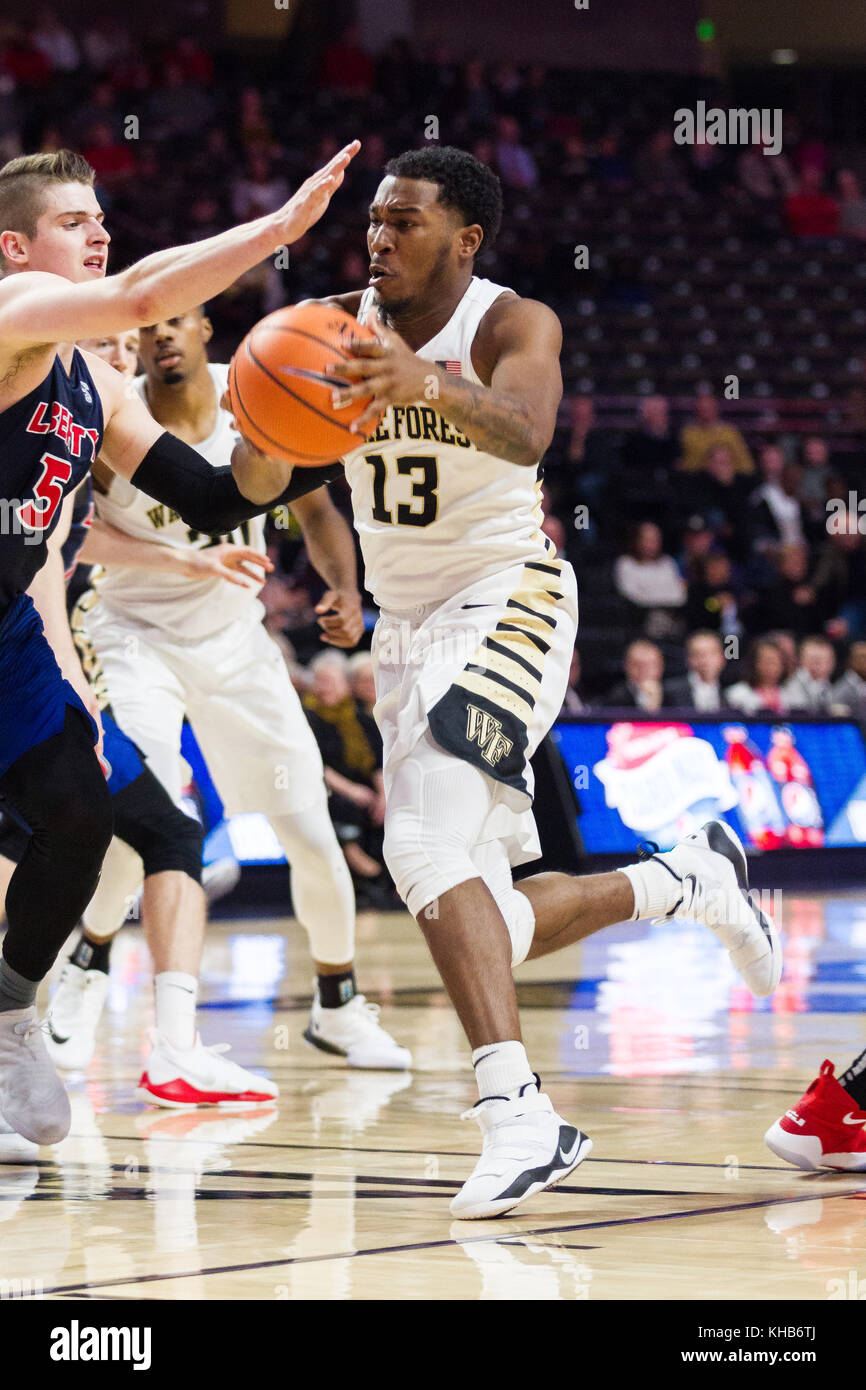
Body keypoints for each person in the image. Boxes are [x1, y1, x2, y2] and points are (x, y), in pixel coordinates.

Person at [237, 145, 782, 1218]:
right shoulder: (327, 329)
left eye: (405, 220)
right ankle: (685, 877)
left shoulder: (508, 321)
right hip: (405, 637)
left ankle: (517, 1112)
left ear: (465, 238)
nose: (379, 237)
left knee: (421, 842)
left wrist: (422, 380)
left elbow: (526, 426)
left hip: (511, 597)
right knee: (488, 912)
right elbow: (270, 478)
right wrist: (265, 428)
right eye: (374, 221)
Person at [0, 140, 360, 1145]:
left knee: (79, 815)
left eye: (103, 218)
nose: (101, 232)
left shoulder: (94, 387)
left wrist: (312, 438)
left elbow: (208, 498)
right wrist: (280, 232)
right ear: (14, 247)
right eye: (76, 222)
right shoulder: (9, 319)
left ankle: (10, 1018)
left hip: (7, 634)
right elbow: (136, 295)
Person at [58, 307, 409, 1079]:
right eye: (148, 326)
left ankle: (340, 1004)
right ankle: (88, 964)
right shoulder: (115, 413)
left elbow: (317, 508)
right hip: (129, 632)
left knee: (313, 837)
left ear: (208, 328)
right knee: (142, 817)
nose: (161, 336)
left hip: (233, 640)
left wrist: (345, 589)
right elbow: (67, 531)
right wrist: (174, 562)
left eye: (176, 320)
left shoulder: (256, 394)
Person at [0, 329, 278, 1119]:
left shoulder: (93, 419)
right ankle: (75, 991)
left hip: (37, 655)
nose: (125, 354)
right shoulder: (29, 385)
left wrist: (302, 446)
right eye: (110, 338)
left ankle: (72, 1001)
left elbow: (72, 542)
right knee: (107, 830)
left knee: (118, 827)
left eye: (127, 344)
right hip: (76, 649)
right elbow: (49, 563)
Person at [679, 391, 754, 476]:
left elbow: (746, 465)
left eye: (709, 409)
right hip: (697, 479)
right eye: (702, 409)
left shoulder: (730, 433)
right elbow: (685, 464)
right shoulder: (687, 434)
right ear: (696, 410)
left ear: (716, 409)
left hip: (729, 479)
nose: (705, 412)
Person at [663, 630, 728, 710]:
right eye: (698, 654)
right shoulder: (671, 691)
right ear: (688, 659)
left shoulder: (732, 694)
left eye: (712, 653)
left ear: (722, 658)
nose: (705, 660)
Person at [725, 638, 789, 715]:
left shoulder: (791, 695)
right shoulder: (737, 694)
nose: (770, 667)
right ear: (754, 663)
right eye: (766, 661)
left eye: (775, 662)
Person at [605, 639, 666, 711]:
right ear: (626, 666)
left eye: (651, 665)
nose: (644, 671)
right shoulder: (616, 697)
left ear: (661, 667)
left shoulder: (673, 696)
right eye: (638, 665)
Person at [782, 635, 836, 713]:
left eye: (827, 661)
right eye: (816, 661)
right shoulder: (791, 686)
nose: (823, 667)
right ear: (800, 661)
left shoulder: (826, 685)